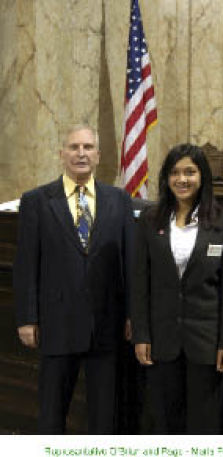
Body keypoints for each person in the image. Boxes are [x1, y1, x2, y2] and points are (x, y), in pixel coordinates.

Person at [14, 124, 134, 434]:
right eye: (74, 147)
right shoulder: (37, 201)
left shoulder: (119, 201)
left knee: (104, 418)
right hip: (56, 324)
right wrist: (27, 319)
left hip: (105, 325)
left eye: (87, 147)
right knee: (52, 415)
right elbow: (26, 264)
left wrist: (133, 315)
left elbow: (130, 264)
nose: (81, 153)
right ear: (62, 154)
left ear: (98, 155)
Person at [131, 143, 223, 434]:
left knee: (204, 424)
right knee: (165, 421)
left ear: (202, 176)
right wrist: (141, 334)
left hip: (206, 342)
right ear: (167, 179)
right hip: (161, 339)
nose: (182, 179)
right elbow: (139, 283)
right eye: (175, 172)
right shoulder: (149, 220)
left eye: (190, 172)